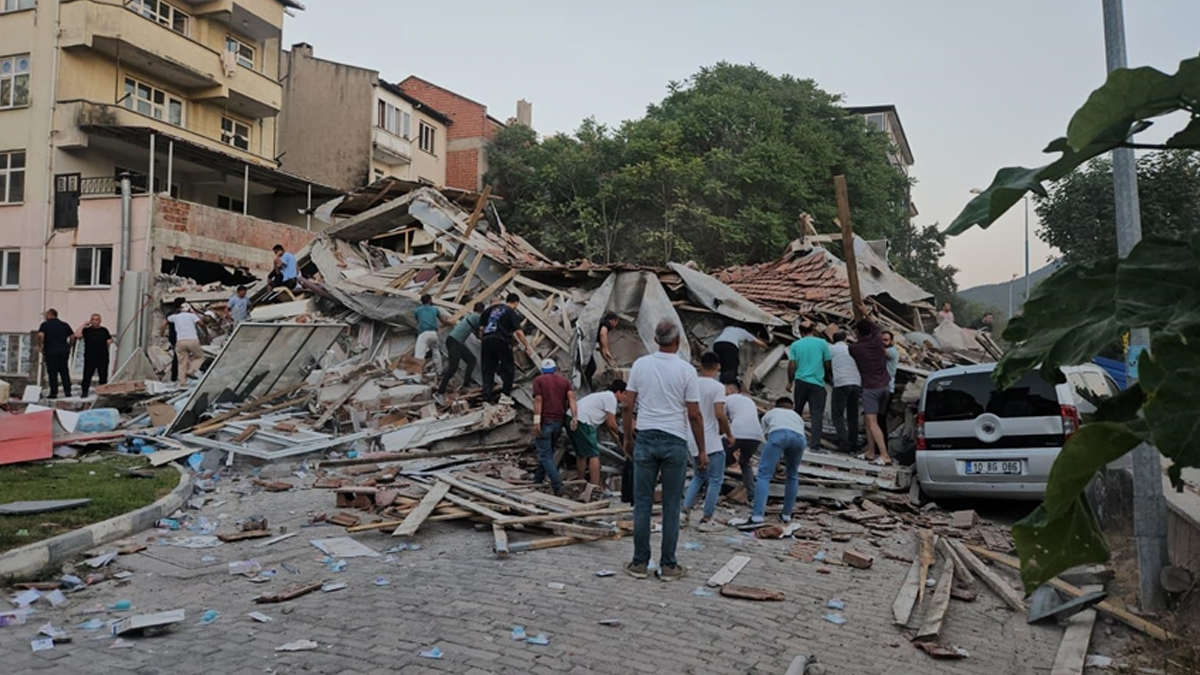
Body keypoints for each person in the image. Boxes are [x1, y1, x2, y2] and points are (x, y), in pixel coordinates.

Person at [622, 320, 706, 582]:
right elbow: (694, 414)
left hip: (645, 437)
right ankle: (668, 565)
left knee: (642, 504)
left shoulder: (640, 365)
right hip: (674, 440)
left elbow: (627, 405)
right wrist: (702, 450)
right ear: (678, 340)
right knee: (671, 505)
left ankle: (639, 563)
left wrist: (627, 437)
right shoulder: (687, 371)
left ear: (655, 340)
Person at [730, 398, 808, 527]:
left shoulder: (770, 413)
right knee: (792, 475)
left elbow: (766, 438)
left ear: (776, 406)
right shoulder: (797, 417)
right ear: (791, 407)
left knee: (764, 475)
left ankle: (757, 516)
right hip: (800, 439)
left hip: (778, 435)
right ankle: (786, 515)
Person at [682, 353, 734, 531]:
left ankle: (685, 510)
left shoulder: (691, 383)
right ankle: (707, 517)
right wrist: (729, 434)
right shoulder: (718, 387)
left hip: (692, 437)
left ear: (700, 365)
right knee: (715, 479)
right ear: (718, 366)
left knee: (699, 476)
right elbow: (720, 414)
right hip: (711, 439)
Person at [849, 316, 892, 465]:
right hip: (885, 386)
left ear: (857, 333)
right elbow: (877, 329)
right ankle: (870, 452)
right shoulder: (878, 342)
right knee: (869, 420)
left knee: (872, 422)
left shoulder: (854, 348)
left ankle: (885, 455)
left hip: (870, 388)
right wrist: (865, 315)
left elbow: (866, 334)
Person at [569, 380, 628, 488]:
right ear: (619, 392)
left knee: (582, 455)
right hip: (583, 421)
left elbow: (607, 424)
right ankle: (594, 487)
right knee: (594, 455)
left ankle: (581, 485)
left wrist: (617, 440)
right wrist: (624, 436)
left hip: (572, 418)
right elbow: (612, 424)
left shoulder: (604, 396)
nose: (625, 398)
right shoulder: (611, 398)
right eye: (625, 394)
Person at [532, 358, 577, 496]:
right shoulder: (564, 382)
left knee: (545, 454)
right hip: (559, 422)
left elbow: (538, 400)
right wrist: (575, 417)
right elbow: (571, 399)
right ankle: (537, 480)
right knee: (547, 452)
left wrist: (536, 421)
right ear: (555, 369)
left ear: (542, 370)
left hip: (545, 421)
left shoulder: (538, 381)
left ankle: (558, 485)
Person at [480, 294, 534, 404]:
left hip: (486, 340)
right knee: (509, 367)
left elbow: (481, 328)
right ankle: (505, 395)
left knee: (488, 369)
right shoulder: (511, 312)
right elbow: (519, 332)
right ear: (516, 302)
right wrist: (527, 346)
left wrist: (485, 339)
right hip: (500, 340)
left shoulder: (489, 310)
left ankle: (486, 398)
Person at [786, 321, 831, 450]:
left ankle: (792, 439)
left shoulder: (796, 345)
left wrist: (790, 381)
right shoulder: (822, 343)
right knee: (817, 415)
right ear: (813, 330)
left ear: (800, 332)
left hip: (800, 382)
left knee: (797, 411)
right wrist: (828, 376)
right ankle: (815, 445)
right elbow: (827, 363)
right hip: (817, 383)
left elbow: (792, 365)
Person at [722, 376, 764, 504]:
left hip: (737, 432)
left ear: (730, 389)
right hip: (756, 435)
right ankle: (752, 495)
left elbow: (722, 419)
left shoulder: (726, 399)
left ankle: (711, 489)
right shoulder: (749, 400)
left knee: (720, 457)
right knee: (745, 463)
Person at [437, 302, 484, 398]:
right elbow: (484, 327)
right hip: (454, 342)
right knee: (453, 367)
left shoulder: (471, 316)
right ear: (481, 311)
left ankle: (466, 383)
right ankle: (440, 391)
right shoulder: (476, 317)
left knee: (471, 360)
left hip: (456, 342)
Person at [829, 331, 862, 454]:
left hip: (842, 383)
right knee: (852, 415)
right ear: (845, 339)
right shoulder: (852, 349)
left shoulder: (831, 349)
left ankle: (844, 443)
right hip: (856, 383)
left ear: (833, 340)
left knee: (837, 414)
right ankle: (853, 443)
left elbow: (826, 362)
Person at [163, 300, 206, 384]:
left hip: (180, 341)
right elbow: (201, 323)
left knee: (181, 362)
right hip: (192, 340)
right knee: (200, 357)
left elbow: (164, 323)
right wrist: (206, 333)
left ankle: (182, 382)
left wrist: (161, 333)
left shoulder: (175, 316)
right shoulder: (192, 316)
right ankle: (191, 370)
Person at [74, 313, 113, 398]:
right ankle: (84, 392)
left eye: (97, 320)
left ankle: (103, 392)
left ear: (100, 321)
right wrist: (84, 325)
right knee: (87, 376)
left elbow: (109, 340)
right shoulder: (87, 330)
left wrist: (110, 342)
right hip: (90, 357)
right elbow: (77, 335)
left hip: (102, 357)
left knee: (103, 376)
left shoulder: (104, 330)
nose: (95, 321)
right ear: (90, 321)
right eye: (93, 319)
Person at [37, 309, 73, 399]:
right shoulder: (64, 325)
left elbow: (40, 335)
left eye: (46, 315)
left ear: (50, 315)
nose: (45, 317)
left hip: (51, 351)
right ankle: (67, 391)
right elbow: (72, 336)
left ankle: (53, 393)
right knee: (64, 371)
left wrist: (39, 345)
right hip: (63, 351)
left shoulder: (45, 325)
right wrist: (70, 345)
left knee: (52, 373)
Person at [414, 294, 451, 374]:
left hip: (424, 333)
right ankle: (439, 371)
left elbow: (418, 321)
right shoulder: (435, 309)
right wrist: (450, 323)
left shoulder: (417, 310)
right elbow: (443, 321)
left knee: (419, 354)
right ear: (430, 300)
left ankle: (416, 376)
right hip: (434, 333)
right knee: (436, 352)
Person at [584, 312, 619, 389]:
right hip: (584, 344)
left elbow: (601, 348)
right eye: (616, 323)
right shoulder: (606, 324)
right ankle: (586, 387)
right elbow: (603, 334)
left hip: (586, 345)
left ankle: (587, 385)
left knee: (590, 367)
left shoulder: (600, 325)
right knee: (591, 367)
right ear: (613, 320)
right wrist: (607, 350)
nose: (615, 326)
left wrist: (609, 362)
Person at [882, 330, 900, 435]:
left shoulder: (892, 351)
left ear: (892, 341)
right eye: (882, 340)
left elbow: (882, 352)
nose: (883, 342)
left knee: (881, 418)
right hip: (880, 388)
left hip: (888, 389)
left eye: (885, 340)